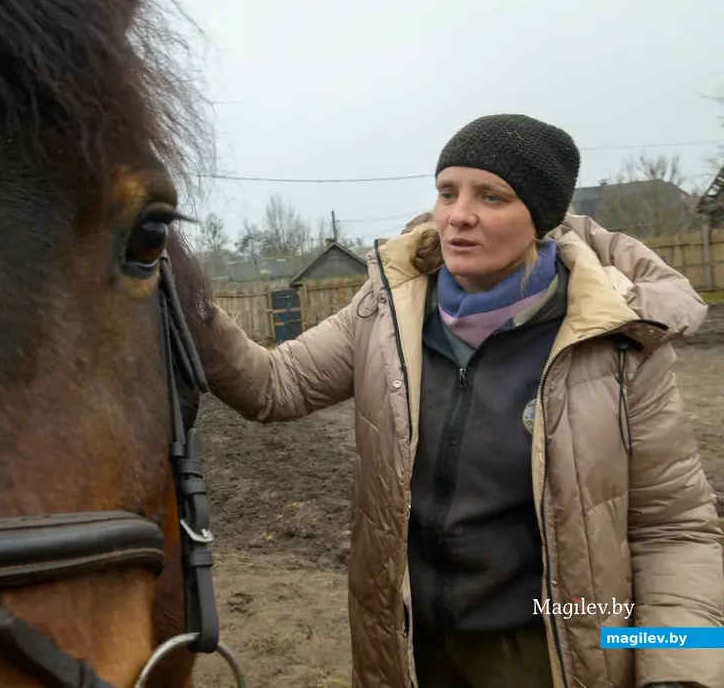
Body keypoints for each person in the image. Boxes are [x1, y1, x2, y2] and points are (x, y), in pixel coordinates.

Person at [197, 114, 724, 688]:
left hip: (551, 651)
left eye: (491, 196)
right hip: (410, 649)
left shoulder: (616, 343)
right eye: (447, 192)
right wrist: (185, 292)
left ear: (540, 219)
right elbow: (274, 385)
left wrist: (680, 669)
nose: (457, 215)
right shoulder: (387, 314)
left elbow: (675, 530)